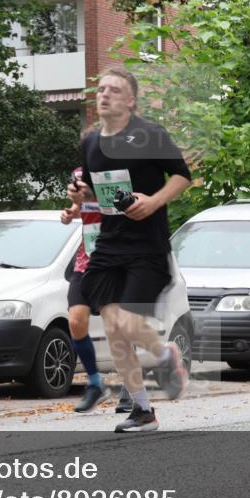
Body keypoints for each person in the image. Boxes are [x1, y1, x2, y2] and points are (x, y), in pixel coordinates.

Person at [68, 67, 192, 432]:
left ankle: (165, 354)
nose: (104, 95)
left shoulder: (150, 135)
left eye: (115, 90)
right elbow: (92, 189)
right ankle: (143, 410)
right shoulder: (91, 142)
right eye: (101, 90)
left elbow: (182, 175)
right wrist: (79, 195)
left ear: (131, 100)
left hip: (147, 246)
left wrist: (153, 202)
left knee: (125, 321)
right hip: (108, 245)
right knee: (113, 330)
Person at [61, 167, 133, 414]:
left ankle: (131, 386)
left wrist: (92, 197)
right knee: (76, 321)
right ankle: (95, 383)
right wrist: (71, 212)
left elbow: (127, 210)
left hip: (115, 263)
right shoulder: (79, 173)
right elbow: (81, 206)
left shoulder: (120, 174)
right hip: (85, 262)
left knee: (117, 328)